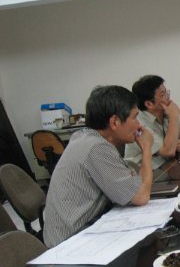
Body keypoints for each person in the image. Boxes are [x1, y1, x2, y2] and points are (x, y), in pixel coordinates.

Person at [43, 86, 154, 247]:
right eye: (135, 117)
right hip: (70, 243)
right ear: (114, 122)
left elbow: (133, 182)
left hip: (81, 230)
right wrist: (147, 148)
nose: (139, 125)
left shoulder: (85, 137)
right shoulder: (97, 148)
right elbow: (141, 196)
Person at [124, 75, 180, 166]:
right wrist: (173, 117)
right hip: (143, 171)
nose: (168, 97)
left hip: (169, 166)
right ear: (149, 104)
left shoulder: (168, 112)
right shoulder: (139, 124)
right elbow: (168, 151)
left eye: (166, 92)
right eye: (163, 95)